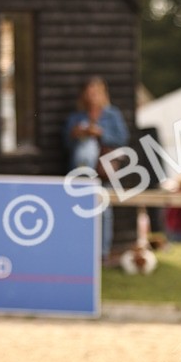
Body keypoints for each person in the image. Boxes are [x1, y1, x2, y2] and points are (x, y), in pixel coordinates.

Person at [64, 76, 129, 262]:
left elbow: (122, 139)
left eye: (96, 91)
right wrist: (78, 133)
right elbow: (66, 143)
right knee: (86, 146)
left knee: (104, 211)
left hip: (104, 171)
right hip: (81, 165)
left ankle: (102, 254)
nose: (92, 95)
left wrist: (101, 133)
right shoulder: (76, 117)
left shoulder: (112, 115)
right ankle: (80, 252)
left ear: (103, 93)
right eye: (89, 91)